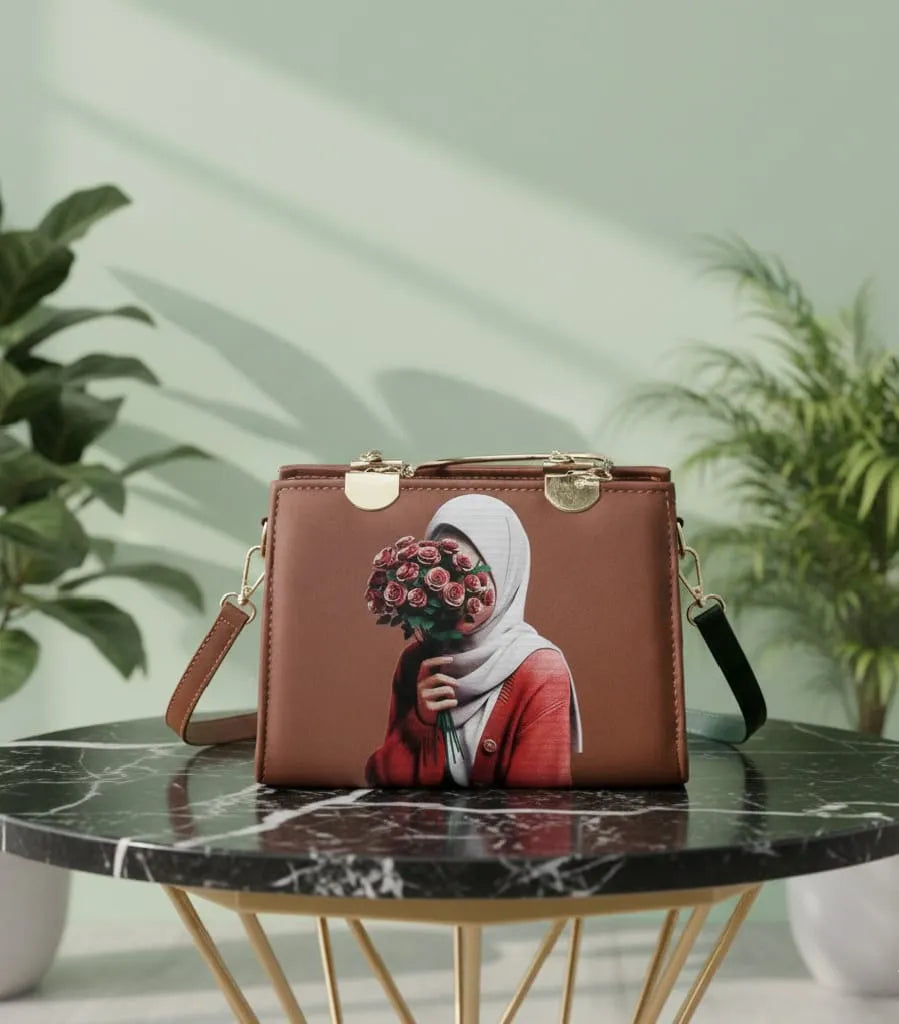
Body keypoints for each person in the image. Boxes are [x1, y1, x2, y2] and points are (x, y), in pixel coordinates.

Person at [366, 495, 582, 787]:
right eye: (450, 573)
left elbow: (539, 801)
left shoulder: (541, 670)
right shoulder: (417, 660)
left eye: (477, 575)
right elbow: (382, 781)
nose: (462, 592)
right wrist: (420, 724)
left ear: (507, 575)